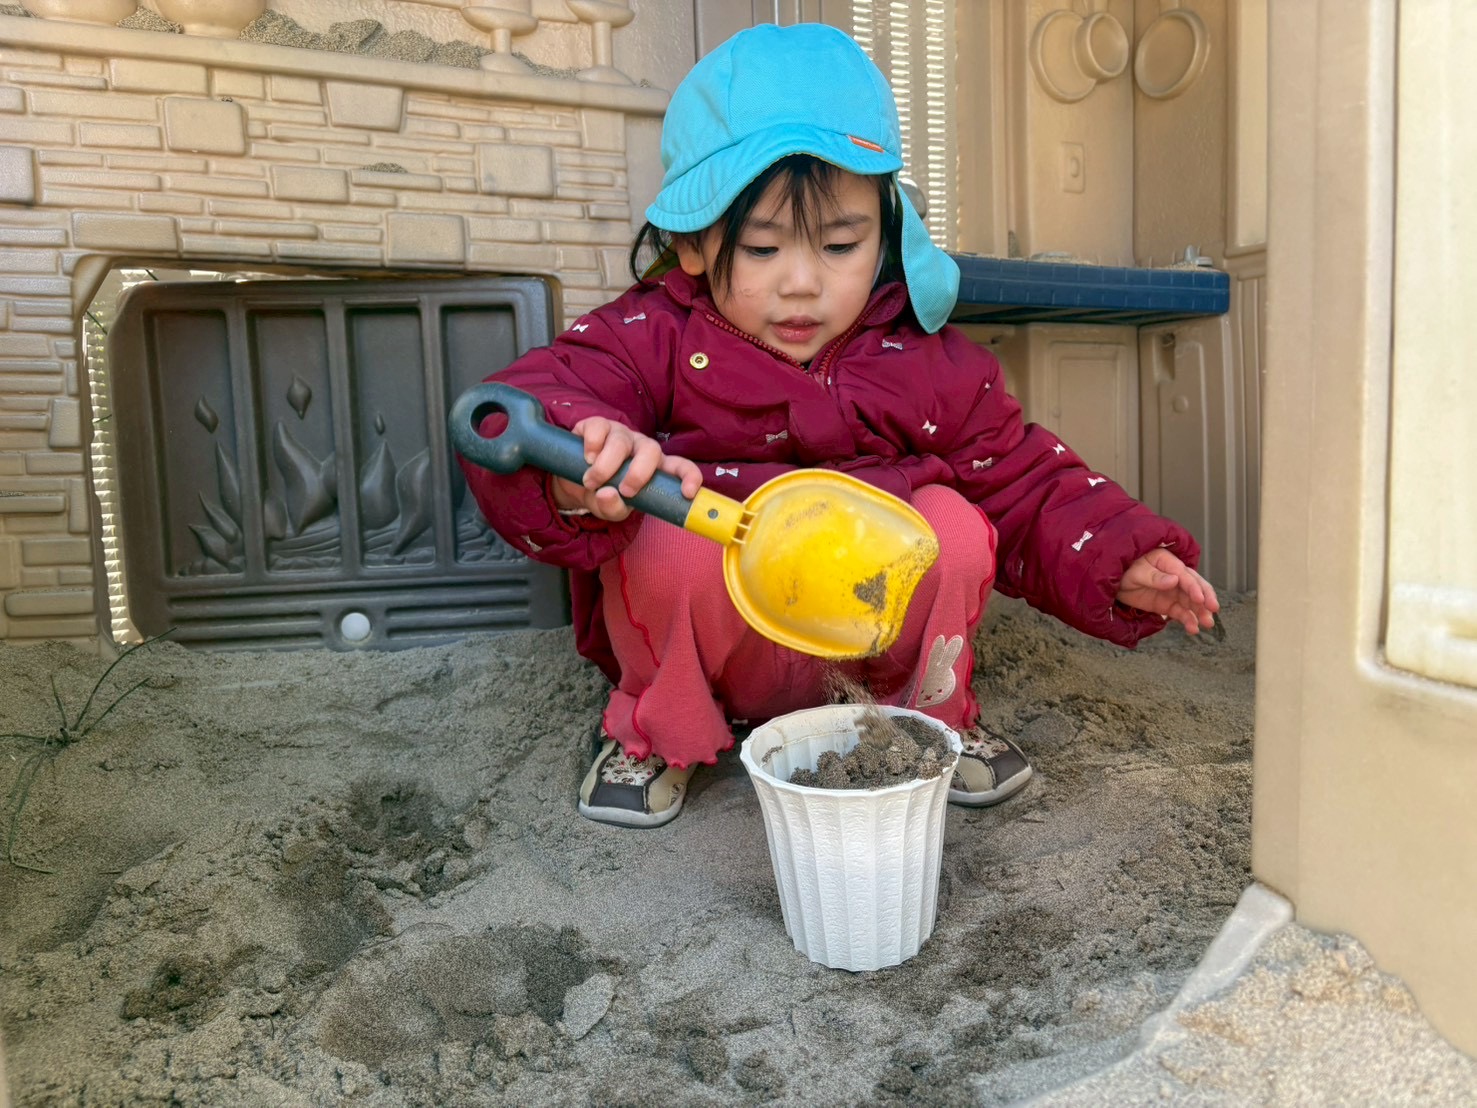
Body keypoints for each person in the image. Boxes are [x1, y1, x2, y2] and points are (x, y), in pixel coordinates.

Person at [456, 22, 1218, 829]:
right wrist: (578, 459)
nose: (802, 283)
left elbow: (1021, 477)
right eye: (761, 249)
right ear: (692, 243)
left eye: (840, 244)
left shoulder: (922, 357)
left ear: (886, 235)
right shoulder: (654, 334)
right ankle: (657, 731)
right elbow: (540, 394)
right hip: (726, 647)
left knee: (956, 527)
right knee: (664, 536)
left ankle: (929, 721)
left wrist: (1116, 555)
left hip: (865, 642)